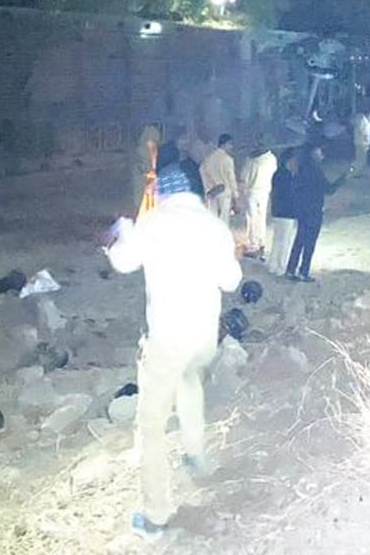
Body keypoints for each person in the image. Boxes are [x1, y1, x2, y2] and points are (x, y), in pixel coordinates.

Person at [104, 165, 243, 540]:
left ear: (162, 193)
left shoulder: (153, 222)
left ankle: (156, 515)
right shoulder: (214, 225)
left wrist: (120, 236)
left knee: (151, 424)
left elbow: (123, 262)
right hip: (204, 335)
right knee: (190, 381)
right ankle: (196, 454)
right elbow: (232, 281)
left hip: (168, 336)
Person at [285, 144, 345, 282]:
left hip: (302, 210)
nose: (322, 156)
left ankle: (291, 269)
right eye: (320, 154)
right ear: (314, 155)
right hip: (314, 211)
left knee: (299, 240)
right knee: (309, 243)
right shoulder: (316, 171)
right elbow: (329, 190)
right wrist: (342, 178)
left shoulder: (301, 169)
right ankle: (303, 271)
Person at [240, 142, 277, 258]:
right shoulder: (272, 159)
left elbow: (244, 177)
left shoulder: (251, 160)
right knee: (261, 218)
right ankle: (261, 243)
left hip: (252, 191)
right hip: (265, 191)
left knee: (252, 218)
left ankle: (254, 244)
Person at [268, 150, 299, 277]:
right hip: (287, 212)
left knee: (277, 239)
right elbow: (291, 195)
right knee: (285, 241)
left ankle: (272, 265)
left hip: (277, 211)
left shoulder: (277, 174)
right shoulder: (289, 176)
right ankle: (281, 267)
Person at [199, 134, 237, 224]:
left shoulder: (208, 158)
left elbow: (201, 170)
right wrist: (235, 194)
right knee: (224, 218)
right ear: (223, 144)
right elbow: (231, 178)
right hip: (225, 191)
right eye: (230, 144)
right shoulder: (228, 159)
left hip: (211, 191)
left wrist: (207, 187)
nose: (232, 147)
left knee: (212, 217)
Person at [132, 124, 163, 215]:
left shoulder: (159, 152)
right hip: (144, 191)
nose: (151, 142)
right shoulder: (140, 153)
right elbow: (139, 173)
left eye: (153, 140)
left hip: (156, 192)